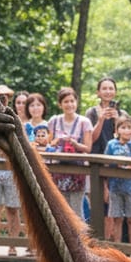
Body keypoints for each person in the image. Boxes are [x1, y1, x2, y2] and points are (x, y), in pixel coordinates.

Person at [47, 86, 92, 217]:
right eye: (66, 101)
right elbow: (48, 144)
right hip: (58, 169)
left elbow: (88, 148)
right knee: (60, 209)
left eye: (72, 101)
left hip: (78, 170)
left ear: (76, 102)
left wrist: (74, 143)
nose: (69, 104)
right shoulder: (53, 121)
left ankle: (80, 237)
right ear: (60, 104)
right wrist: (56, 141)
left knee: (76, 210)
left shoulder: (84, 122)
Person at [104, 114, 131, 244]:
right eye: (123, 127)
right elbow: (106, 162)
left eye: (129, 127)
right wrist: (117, 164)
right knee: (117, 218)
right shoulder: (111, 144)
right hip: (115, 187)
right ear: (117, 130)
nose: (127, 130)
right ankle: (118, 247)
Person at [86, 76, 126, 155]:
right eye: (104, 89)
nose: (108, 92)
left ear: (115, 92)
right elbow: (90, 140)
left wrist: (117, 121)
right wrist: (100, 120)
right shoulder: (91, 112)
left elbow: (125, 139)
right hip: (95, 156)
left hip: (116, 156)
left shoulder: (122, 114)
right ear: (98, 92)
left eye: (111, 89)